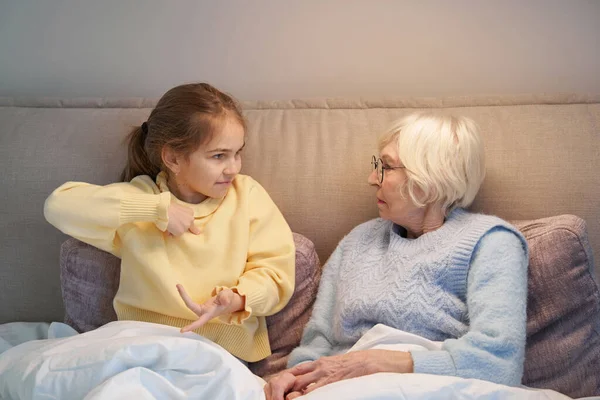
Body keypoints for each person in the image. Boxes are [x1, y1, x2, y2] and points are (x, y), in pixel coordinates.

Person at [264, 113, 529, 399]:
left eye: (386, 167)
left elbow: (498, 362)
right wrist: (296, 377)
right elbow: (318, 341)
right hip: (339, 388)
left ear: (429, 178)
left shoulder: (492, 242)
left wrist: (375, 363)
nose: (371, 179)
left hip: (433, 387)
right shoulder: (357, 241)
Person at [44, 83, 295, 363]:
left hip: (223, 354)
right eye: (219, 156)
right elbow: (58, 205)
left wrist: (237, 299)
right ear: (173, 158)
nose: (234, 167)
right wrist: (156, 209)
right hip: (142, 346)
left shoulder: (247, 195)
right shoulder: (141, 200)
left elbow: (276, 273)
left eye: (238, 153)